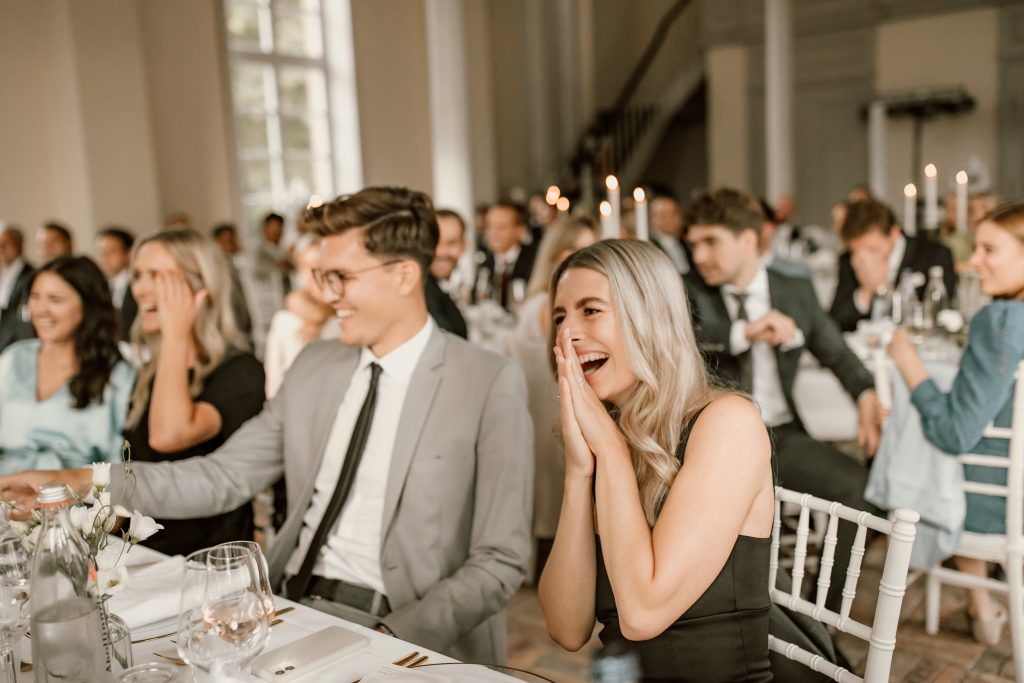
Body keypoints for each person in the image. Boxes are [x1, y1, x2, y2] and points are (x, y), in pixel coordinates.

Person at [0, 187, 533, 663]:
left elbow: (500, 560)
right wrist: (84, 482)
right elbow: (222, 476)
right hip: (286, 602)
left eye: (341, 277)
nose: (327, 294)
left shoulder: (487, 381)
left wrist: (392, 637)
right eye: (322, 277)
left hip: (402, 624)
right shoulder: (316, 365)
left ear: (404, 275)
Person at [538, 239, 774, 682]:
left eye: (590, 310)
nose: (567, 334)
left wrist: (610, 452)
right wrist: (578, 472)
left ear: (650, 318)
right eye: (560, 317)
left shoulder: (728, 424)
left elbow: (642, 615)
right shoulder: (610, 435)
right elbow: (566, 628)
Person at [683, 188, 883, 612]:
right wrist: (745, 333)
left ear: (748, 240)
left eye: (710, 242)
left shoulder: (793, 289)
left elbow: (835, 351)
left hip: (781, 435)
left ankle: (821, 616)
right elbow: (684, 346)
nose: (699, 256)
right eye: (693, 243)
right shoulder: (687, 290)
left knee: (861, 491)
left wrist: (866, 392)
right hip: (714, 445)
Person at [888, 202, 1024, 646]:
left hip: (997, 504)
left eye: (990, 249)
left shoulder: (1002, 322)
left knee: (924, 447)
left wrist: (908, 364)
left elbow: (954, 433)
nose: (973, 260)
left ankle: (980, 606)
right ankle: (982, 605)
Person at [122, 229, 265, 556]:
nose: (140, 289)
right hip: (144, 553)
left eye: (157, 276)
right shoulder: (152, 369)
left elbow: (169, 436)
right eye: (137, 275)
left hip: (210, 559)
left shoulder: (240, 370)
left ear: (201, 286)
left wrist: (177, 334)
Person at [504, 216, 596, 579]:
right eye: (583, 249)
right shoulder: (552, 305)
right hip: (549, 408)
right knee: (556, 496)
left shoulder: (539, 301)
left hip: (535, 408)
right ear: (560, 254)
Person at [0, 256, 135, 475]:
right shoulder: (13, 359)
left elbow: (120, 465)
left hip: (76, 493)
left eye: (55, 299)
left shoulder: (117, 375)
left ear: (88, 305)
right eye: (35, 297)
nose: (41, 309)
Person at [830, 198, 955, 332]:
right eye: (856, 250)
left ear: (894, 233)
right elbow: (834, 322)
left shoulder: (934, 255)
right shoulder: (848, 260)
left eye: (872, 249)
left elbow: (941, 314)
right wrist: (866, 291)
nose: (864, 257)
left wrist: (886, 290)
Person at [264, 233, 337, 398]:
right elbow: (294, 299)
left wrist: (316, 320)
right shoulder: (293, 308)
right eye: (306, 266)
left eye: (319, 264)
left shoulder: (344, 310)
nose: (313, 273)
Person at [473, 202, 537, 309]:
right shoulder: (485, 263)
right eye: (489, 226)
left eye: (501, 226)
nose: (493, 232)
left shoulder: (535, 261)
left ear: (520, 230)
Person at [425, 209, 468, 338]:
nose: (441, 252)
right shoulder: (421, 292)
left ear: (464, 246)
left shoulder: (443, 287)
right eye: (435, 243)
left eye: (451, 243)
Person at [210, 223, 254, 344]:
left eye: (233, 239)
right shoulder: (215, 263)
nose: (231, 243)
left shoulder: (239, 259)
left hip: (243, 311)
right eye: (226, 240)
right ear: (216, 241)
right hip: (230, 312)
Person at [95, 226, 137, 339]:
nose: (104, 257)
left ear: (128, 254)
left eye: (111, 251)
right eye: (100, 252)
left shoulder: (138, 284)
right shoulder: (97, 287)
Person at [0, 226, 35, 352]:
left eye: (6, 244)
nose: (1, 248)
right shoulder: (4, 273)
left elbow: (23, 315)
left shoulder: (31, 274)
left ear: (20, 245)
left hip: (18, 342)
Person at [649, 195, 690, 275]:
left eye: (674, 214)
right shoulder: (650, 247)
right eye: (663, 215)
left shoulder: (687, 243)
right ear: (653, 218)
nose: (669, 219)